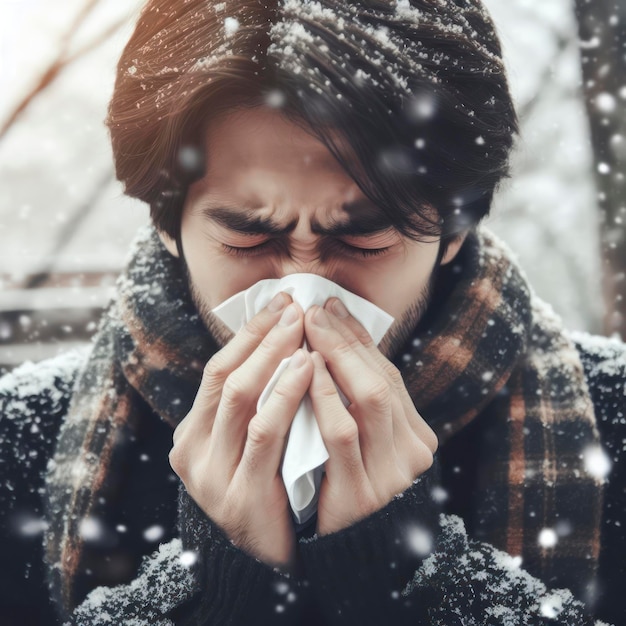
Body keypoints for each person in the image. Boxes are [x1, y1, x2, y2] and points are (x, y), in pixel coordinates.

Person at [1, 0, 624, 624]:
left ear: (453, 231)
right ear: (169, 225)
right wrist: (213, 587)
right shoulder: (21, 444)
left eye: (364, 242)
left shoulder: (612, 418)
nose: (305, 289)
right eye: (248, 239)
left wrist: (415, 576)